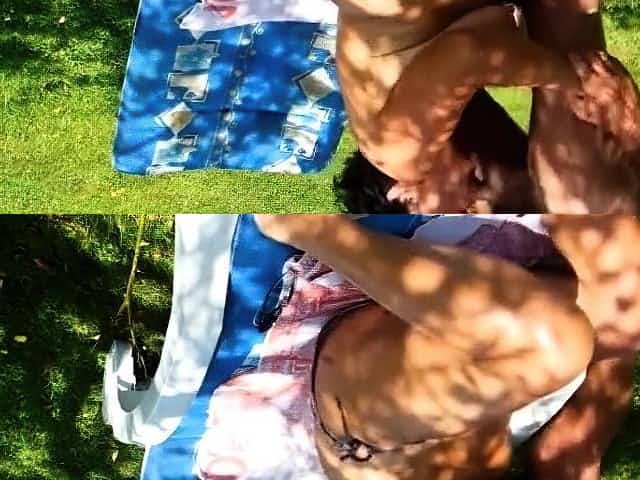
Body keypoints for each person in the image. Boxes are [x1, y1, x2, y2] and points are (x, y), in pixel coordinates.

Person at [246, 214, 639, 480]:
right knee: (622, 302)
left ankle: (306, 226)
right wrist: (618, 346)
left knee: (552, 346)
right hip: (447, 376)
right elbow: (572, 450)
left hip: (360, 428)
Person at [332, 0, 640, 214]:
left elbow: (467, 53)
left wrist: (581, 80)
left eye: (457, 214)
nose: (470, 203)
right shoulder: (403, 132)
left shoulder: (396, 155)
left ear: (405, 197)